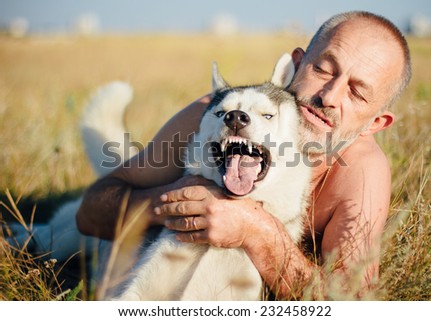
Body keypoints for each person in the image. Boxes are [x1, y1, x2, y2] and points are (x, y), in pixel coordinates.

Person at [76, 11, 411, 299]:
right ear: (297, 64)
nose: (329, 96)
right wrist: (177, 201)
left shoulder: (361, 172)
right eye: (323, 69)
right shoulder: (216, 115)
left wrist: (257, 231)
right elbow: (91, 214)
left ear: (376, 123)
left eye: (357, 93)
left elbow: (351, 303)